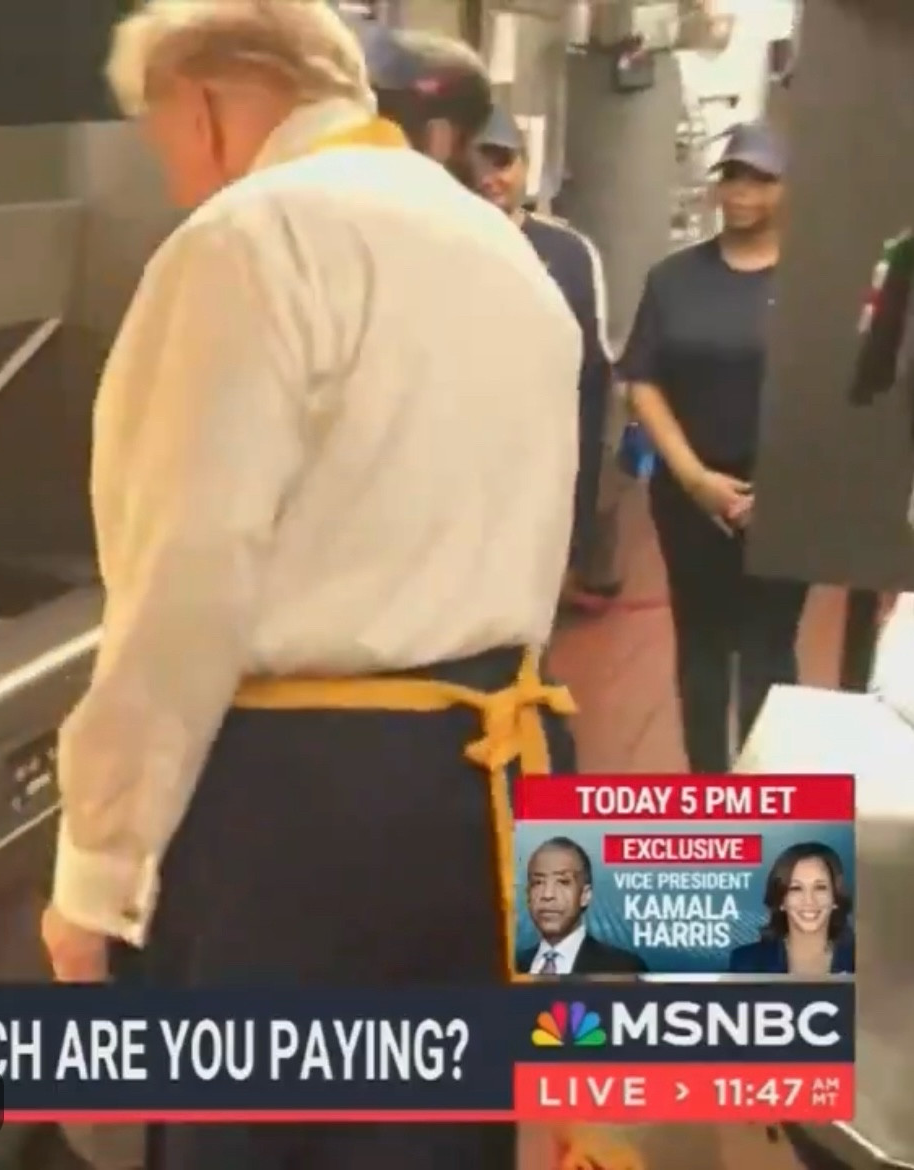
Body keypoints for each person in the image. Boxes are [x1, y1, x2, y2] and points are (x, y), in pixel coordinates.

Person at [39, 6, 580, 1168]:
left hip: (300, 818)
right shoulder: (504, 249)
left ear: (208, 101)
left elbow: (186, 585)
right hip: (489, 789)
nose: (172, 172)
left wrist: (94, 880)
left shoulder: (249, 240)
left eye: (159, 135)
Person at [622, 122, 805, 774]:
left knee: (769, 650)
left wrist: (781, 487)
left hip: (780, 499)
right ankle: (708, 792)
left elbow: (831, 391)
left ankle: (763, 796)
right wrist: (695, 478)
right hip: (689, 494)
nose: (743, 191)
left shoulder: (813, 287)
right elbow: (642, 380)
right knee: (700, 645)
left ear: (786, 189)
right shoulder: (674, 279)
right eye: (733, 175)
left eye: (761, 177)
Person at [474, 110, 620, 614]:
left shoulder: (571, 253)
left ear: (525, 166)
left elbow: (593, 382)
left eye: (502, 161)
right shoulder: (431, 244)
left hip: (540, 472)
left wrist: (579, 520)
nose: (488, 176)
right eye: (475, 163)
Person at [516, 837, 649, 975]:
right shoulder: (509, 967)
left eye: (563, 882)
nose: (548, 894)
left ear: (585, 895)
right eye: (538, 882)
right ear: (527, 894)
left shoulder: (624, 969)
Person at [728, 842, 856, 976]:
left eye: (820, 887)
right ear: (781, 900)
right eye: (796, 888)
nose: (809, 900)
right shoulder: (746, 963)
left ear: (835, 897)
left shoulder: (863, 961)